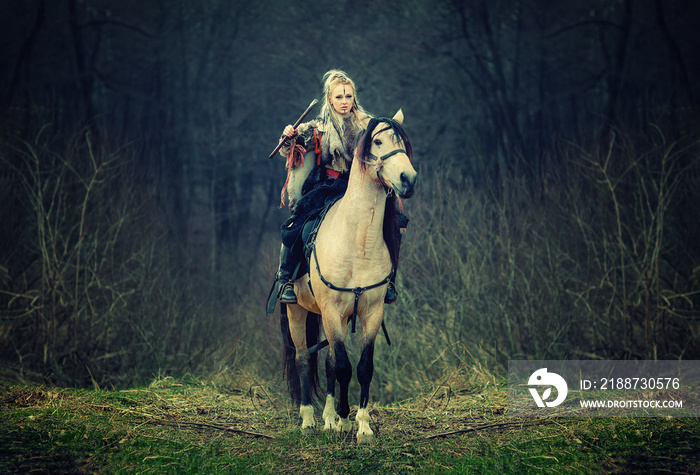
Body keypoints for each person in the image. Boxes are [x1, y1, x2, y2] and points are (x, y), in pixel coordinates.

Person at [273, 70, 400, 305]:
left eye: (348, 97)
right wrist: (289, 136)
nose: (344, 102)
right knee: (301, 222)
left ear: (354, 98)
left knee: (394, 220)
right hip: (327, 186)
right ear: (330, 99)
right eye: (339, 97)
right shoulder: (317, 128)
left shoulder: (368, 126)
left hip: (362, 187)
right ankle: (286, 280)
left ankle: (389, 279)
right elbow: (289, 149)